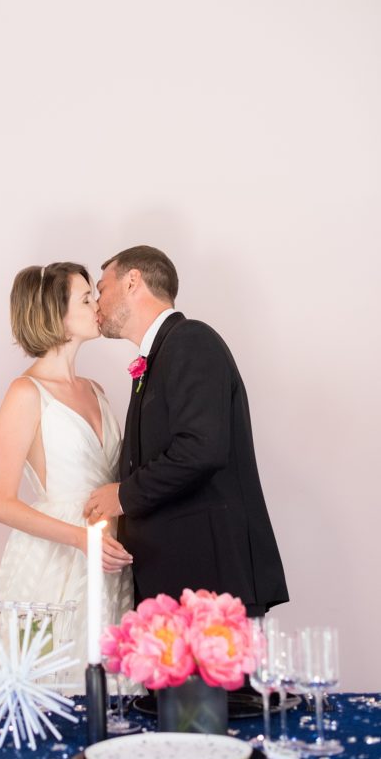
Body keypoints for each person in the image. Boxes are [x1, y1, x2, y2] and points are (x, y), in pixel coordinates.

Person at [84, 245, 288, 617]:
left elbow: (201, 448)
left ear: (133, 281)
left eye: (101, 289)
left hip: (211, 582)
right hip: (176, 580)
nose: (98, 303)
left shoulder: (191, 340)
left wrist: (124, 495)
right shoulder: (159, 355)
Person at [0, 262, 134, 688]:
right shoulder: (24, 393)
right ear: (55, 313)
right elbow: (0, 502)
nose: (97, 304)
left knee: (117, 684)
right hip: (62, 552)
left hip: (112, 547)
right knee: (60, 675)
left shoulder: (97, 390)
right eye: (86, 299)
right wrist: (81, 540)